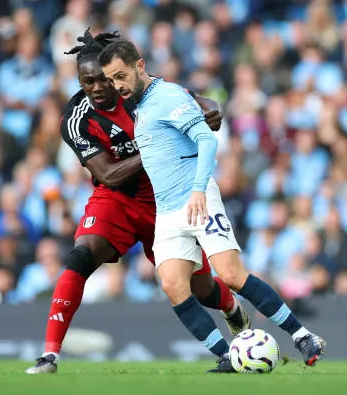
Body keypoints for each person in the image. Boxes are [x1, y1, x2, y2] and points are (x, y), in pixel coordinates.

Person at [26, 30, 250, 375]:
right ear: (80, 81)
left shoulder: (143, 91)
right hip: (116, 198)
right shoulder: (76, 119)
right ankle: (50, 354)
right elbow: (111, 175)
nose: (98, 88)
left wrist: (212, 110)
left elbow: (204, 102)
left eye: (103, 79)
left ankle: (231, 306)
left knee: (200, 287)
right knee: (82, 255)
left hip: (165, 197)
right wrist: (157, 144)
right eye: (88, 82)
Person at [98, 39, 326, 373]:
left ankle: (303, 335)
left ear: (140, 66)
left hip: (197, 200)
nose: (118, 85)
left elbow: (206, 139)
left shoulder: (169, 97)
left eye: (121, 76)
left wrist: (199, 189)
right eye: (112, 80)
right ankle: (226, 355)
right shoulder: (140, 107)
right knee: (174, 286)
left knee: (232, 274)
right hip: (168, 212)